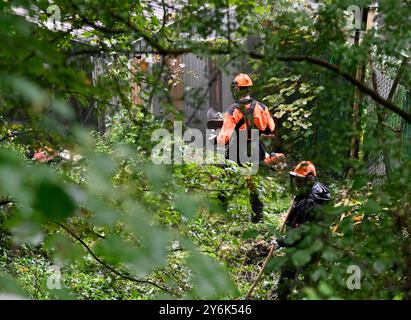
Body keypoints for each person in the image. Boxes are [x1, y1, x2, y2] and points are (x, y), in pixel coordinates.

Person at [215, 73, 276, 223]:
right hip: (257, 147)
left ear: (237, 89)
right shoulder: (262, 107)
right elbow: (270, 128)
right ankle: (257, 218)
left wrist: (217, 139)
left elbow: (225, 137)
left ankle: (222, 214)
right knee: (254, 183)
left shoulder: (232, 110)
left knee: (226, 176)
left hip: (239, 147)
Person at [271, 161, 331, 299]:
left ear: (309, 179)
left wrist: (280, 242)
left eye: (300, 180)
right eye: (296, 180)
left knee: (287, 278)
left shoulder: (309, 202)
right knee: (310, 278)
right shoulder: (318, 191)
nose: (297, 183)